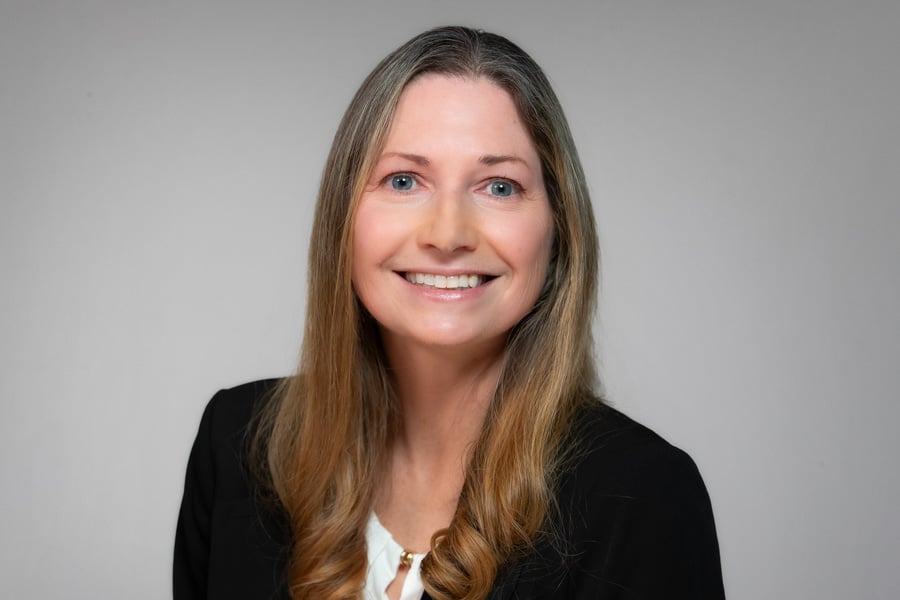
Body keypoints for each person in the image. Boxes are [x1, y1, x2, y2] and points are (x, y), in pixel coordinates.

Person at [174, 26, 725, 600]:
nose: (447, 234)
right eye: (404, 180)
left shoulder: (645, 495)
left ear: (558, 229)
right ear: (344, 217)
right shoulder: (236, 443)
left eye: (499, 187)